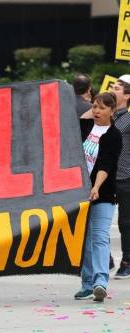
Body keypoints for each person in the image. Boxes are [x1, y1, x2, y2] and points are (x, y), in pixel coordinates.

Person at [74, 92, 122, 302]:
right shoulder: (85, 128)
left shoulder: (114, 135)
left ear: (113, 111)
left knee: (100, 237)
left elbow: (106, 163)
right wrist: (94, 106)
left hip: (103, 193)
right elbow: (78, 120)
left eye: (102, 108)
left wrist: (96, 186)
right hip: (78, 192)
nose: (96, 111)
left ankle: (100, 282)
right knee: (85, 240)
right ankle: (86, 284)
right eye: (94, 106)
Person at [111, 75, 130, 279]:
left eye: (117, 88)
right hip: (106, 177)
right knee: (95, 218)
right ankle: (104, 259)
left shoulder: (128, 119)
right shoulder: (107, 115)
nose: (112, 90)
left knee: (125, 222)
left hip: (126, 177)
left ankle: (127, 261)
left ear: (127, 96)